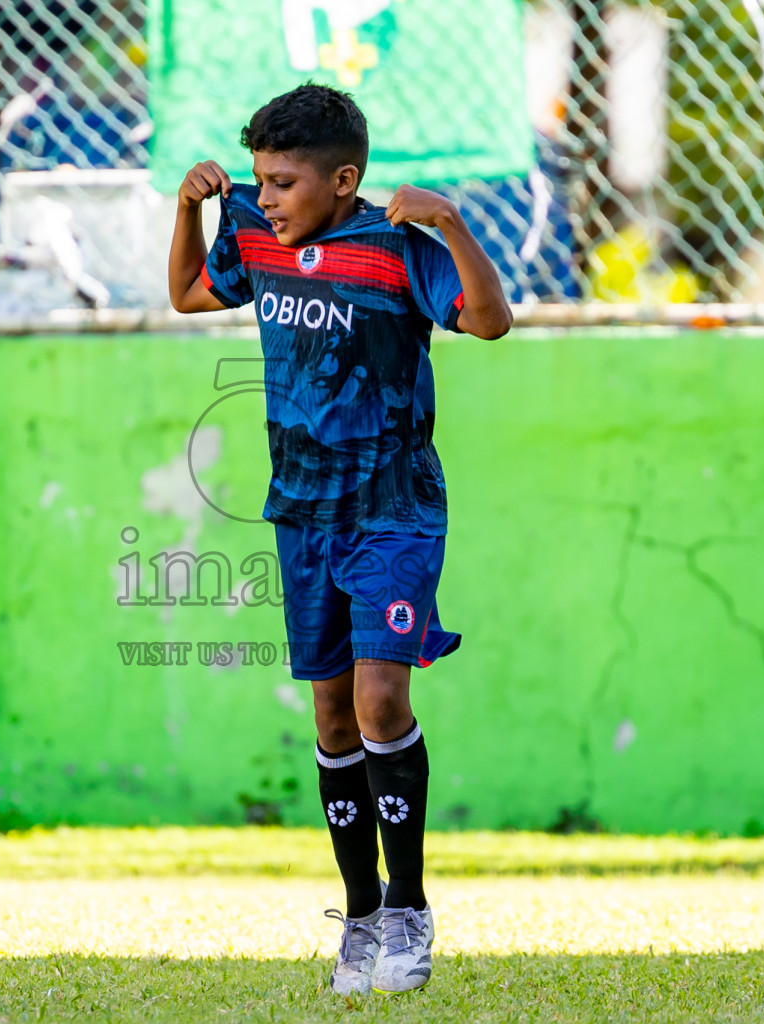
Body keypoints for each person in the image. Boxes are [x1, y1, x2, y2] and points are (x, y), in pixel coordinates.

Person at [166, 83, 511, 996]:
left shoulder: (400, 247)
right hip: (303, 513)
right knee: (329, 718)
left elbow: (489, 318)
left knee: (380, 703)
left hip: (394, 509)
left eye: (283, 182)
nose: (268, 196)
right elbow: (192, 297)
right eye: (259, 181)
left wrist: (454, 228)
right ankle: (359, 919)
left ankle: (410, 906)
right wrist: (189, 211)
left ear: (343, 178)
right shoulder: (251, 230)